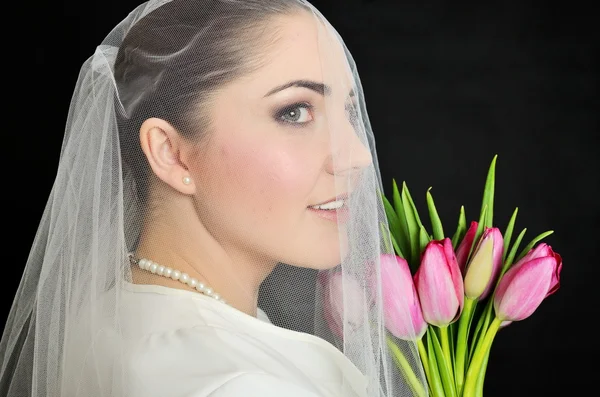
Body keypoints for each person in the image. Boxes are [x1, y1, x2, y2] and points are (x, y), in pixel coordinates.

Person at [0, 0, 426, 396]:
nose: (357, 156)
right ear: (172, 153)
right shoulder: (244, 384)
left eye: (348, 110)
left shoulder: (102, 321)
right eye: (294, 112)